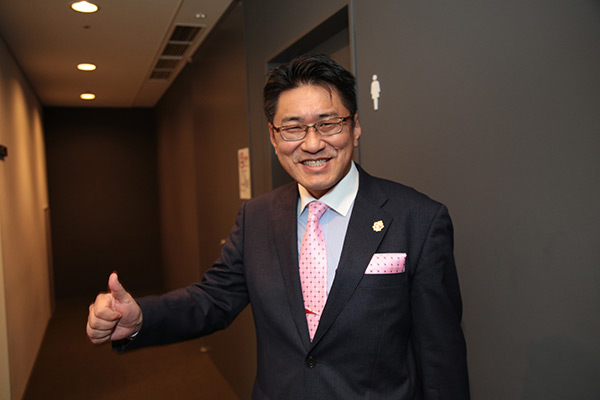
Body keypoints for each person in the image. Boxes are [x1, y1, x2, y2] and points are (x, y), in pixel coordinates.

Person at [87, 54, 470, 399]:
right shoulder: (257, 216)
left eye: (328, 123)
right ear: (273, 137)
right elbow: (213, 299)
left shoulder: (418, 219)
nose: (313, 144)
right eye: (293, 128)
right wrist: (141, 318)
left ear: (355, 127)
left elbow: (441, 355)